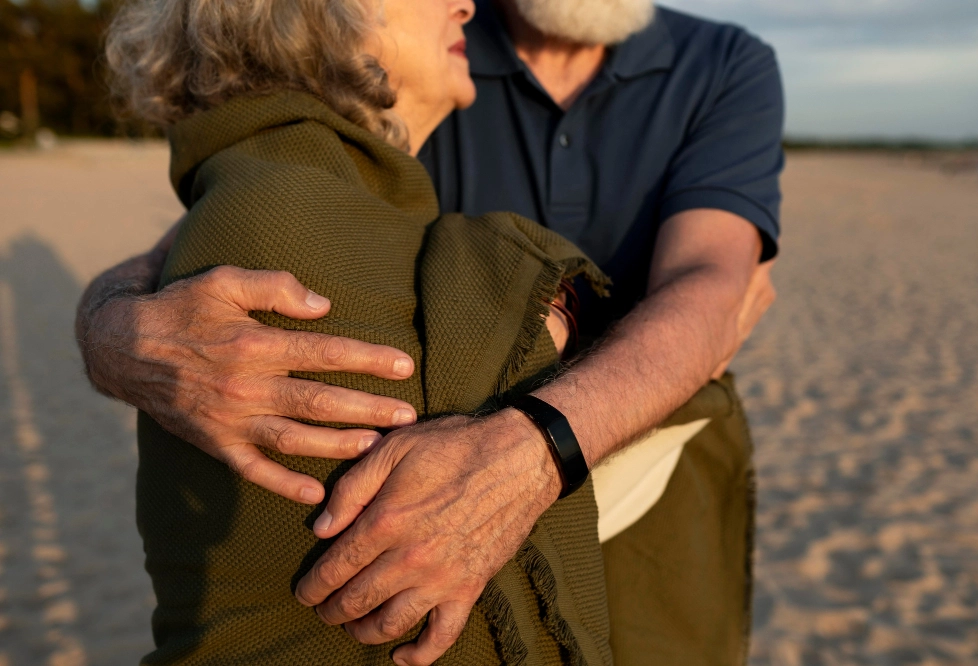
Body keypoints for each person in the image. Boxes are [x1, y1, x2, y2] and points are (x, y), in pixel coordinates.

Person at [78, 0, 783, 664]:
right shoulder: (428, 45)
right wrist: (113, 328)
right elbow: (221, 228)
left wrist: (534, 448)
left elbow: (712, 284)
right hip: (442, 491)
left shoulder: (722, 62)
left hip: (638, 488)